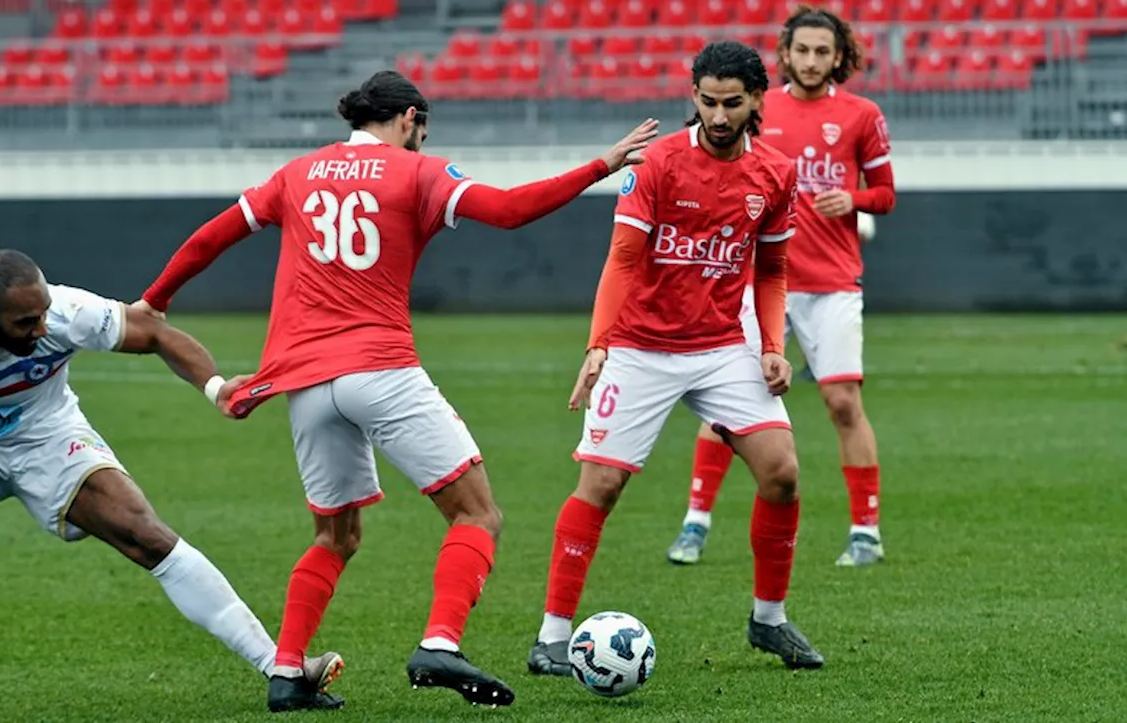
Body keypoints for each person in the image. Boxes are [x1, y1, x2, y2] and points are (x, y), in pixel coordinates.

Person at [133, 70, 658, 712]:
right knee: (477, 513)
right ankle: (439, 641)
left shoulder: (296, 174)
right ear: (410, 118)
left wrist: (155, 300)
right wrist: (600, 164)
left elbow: (214, 234)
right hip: (380, 368)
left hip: (306, 385)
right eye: (422, 130)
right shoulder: (417, 173)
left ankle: (287, 671)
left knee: (336, 536)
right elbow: (512, 210)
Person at [0, 250, 343, 721]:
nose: (43, 329)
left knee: (146, 534)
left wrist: (214, 387)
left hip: (49, 436)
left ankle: (279, 667)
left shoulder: (64, 310)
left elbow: (151, 333)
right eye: (26, 323)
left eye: (43, 316)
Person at [525, 41, 825, 677]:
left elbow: (772, 270)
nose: (718, 116)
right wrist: (598, 344)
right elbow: (624, 260)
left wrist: (771, 348)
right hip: (639, 347)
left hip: (722, 346)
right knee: (601, 486)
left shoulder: (776, 172)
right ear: (694, 97)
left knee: (783, 473)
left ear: (755, 103)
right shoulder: (658, 164)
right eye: (708, 102)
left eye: (731, 104)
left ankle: (768, 621)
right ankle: (551, 637)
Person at [666, 6, 897, 568]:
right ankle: (695, 523)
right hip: (756, 283)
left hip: (832, 283)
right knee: (729, 406)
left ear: (839, 56)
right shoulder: (753, 112)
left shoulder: (863, 115)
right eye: (803, 50)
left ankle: (866, 531)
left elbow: (886, 194)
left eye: (824, 51)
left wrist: (857, 199)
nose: (812, 60)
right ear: (786, 54)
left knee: (843, 402)